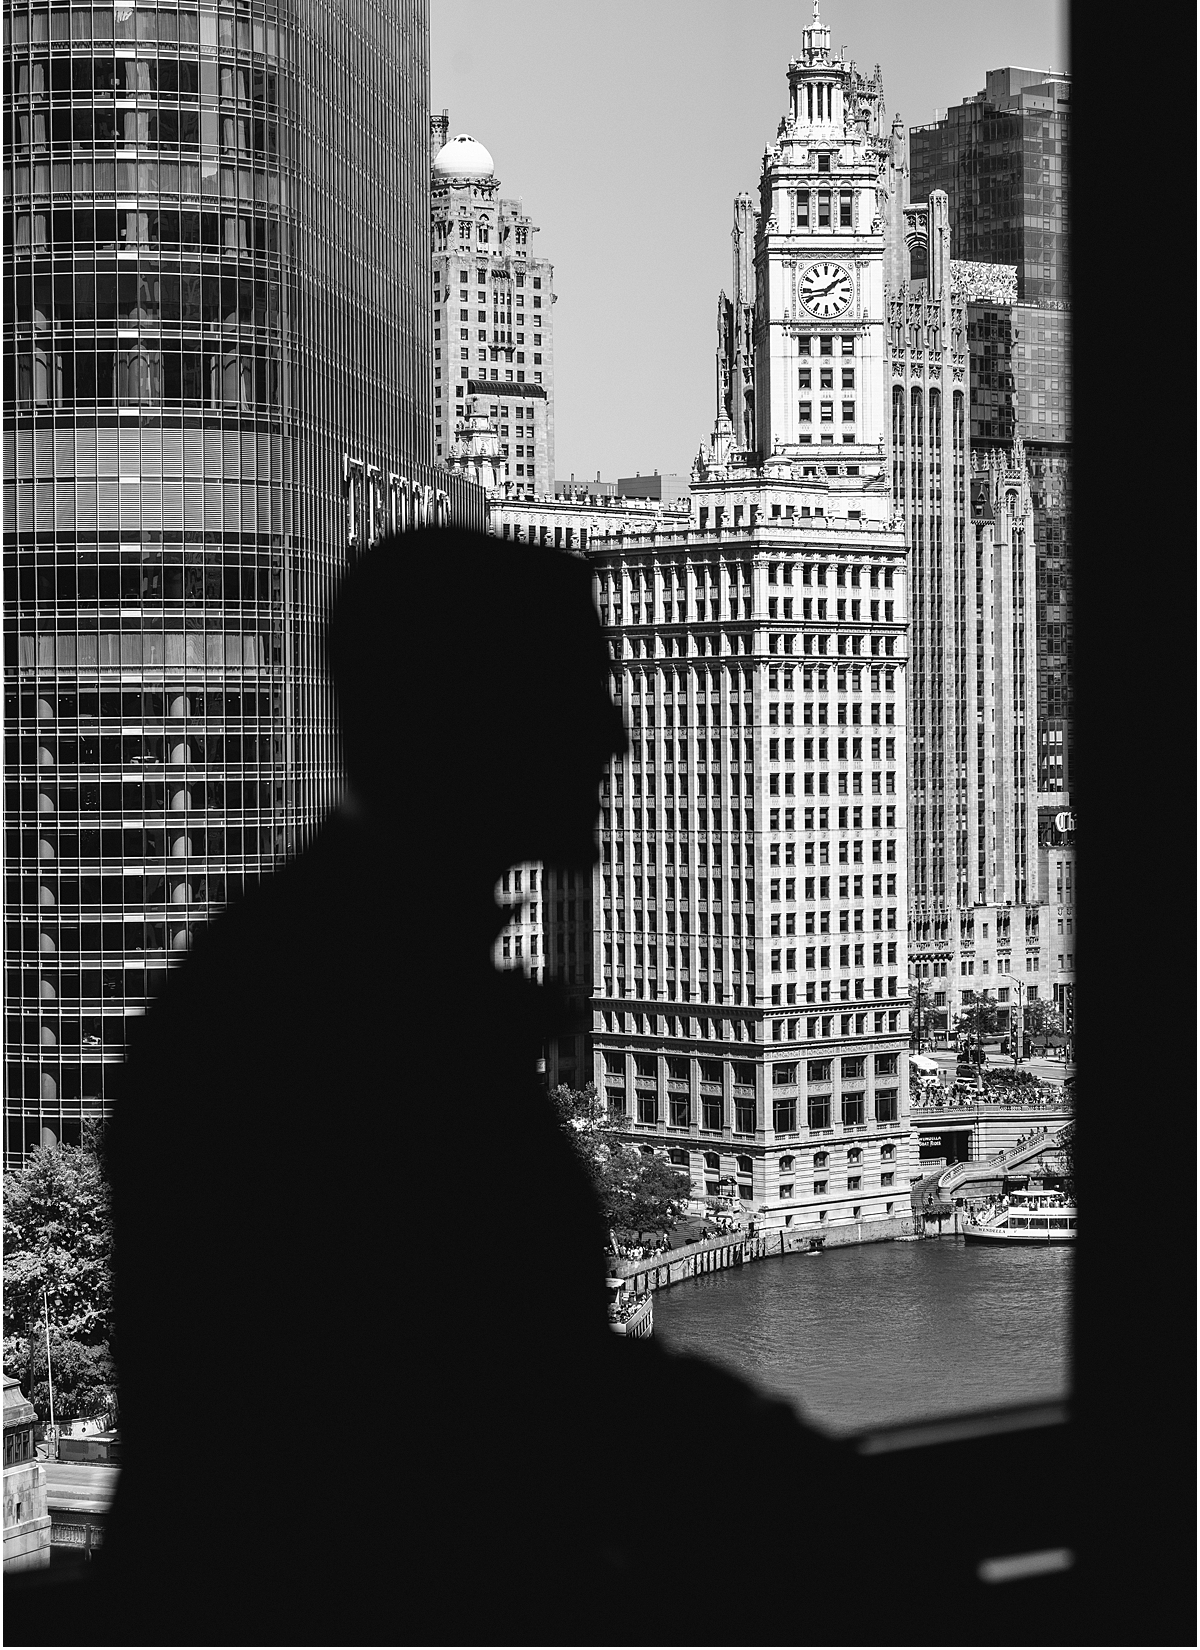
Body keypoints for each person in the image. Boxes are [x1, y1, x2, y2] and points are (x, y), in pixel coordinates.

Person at [68, 529, 904, 1646]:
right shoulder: (331, 1011)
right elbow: (479, 1399)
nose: (616, 734)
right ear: (471, 721)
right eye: (578, 694)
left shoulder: (346, 968)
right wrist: (824, 1496)